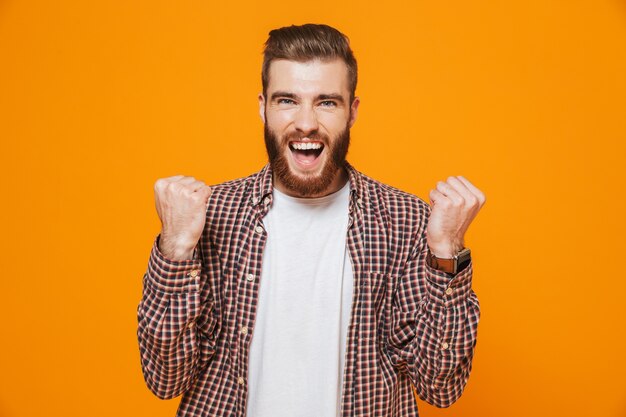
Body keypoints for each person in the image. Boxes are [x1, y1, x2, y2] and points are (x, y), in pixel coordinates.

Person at [137, 23, 485, 417]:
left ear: (352, 111)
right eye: (287, 100)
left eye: (326, 102)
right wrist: (176, 249)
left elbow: (440, 386)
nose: (306, 123)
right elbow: (165, 380)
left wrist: (446, 253)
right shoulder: (208, 215)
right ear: (262, 106)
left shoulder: (404, 221)